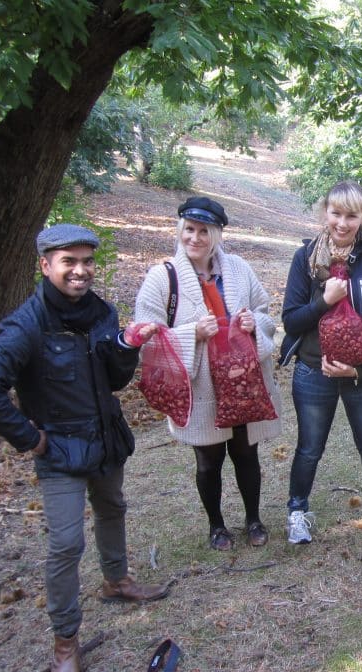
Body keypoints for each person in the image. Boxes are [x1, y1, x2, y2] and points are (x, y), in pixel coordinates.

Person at [0, 224, 169, 672]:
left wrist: (126, 346)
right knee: (65, 543)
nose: (80, 271)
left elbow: (115, 381)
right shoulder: (27, 325)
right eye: (68, 262)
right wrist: (29, 438)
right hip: (58, 451)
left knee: (113, 507)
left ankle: (117, 580)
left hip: (105, 440)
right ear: (45, 265)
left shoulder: (101, 312)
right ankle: (65, 644)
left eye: (87, 262)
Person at [134, 196, 281, 552]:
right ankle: (217, 525)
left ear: (216, 234)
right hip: (201, 386)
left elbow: (265, 313)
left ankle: (254, 519)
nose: (195, 238)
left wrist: (252, 323)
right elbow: (144, 334)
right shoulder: (163, 277)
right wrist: (191, 335)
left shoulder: (239, 268)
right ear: (180, 230)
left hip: (244, 381)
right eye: (189, 229)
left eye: (204, 231)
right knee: (209, 459)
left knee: (247, 453)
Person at [279, 180, 362, 544]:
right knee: (309, 447)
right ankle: (297, 511)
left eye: (352, 215)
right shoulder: (306, 259)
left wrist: (361, 367)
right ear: (325, 213)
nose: (343, 223)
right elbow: (291, 321)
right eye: (336, 213)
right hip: (312, 372)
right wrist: (324, 301)